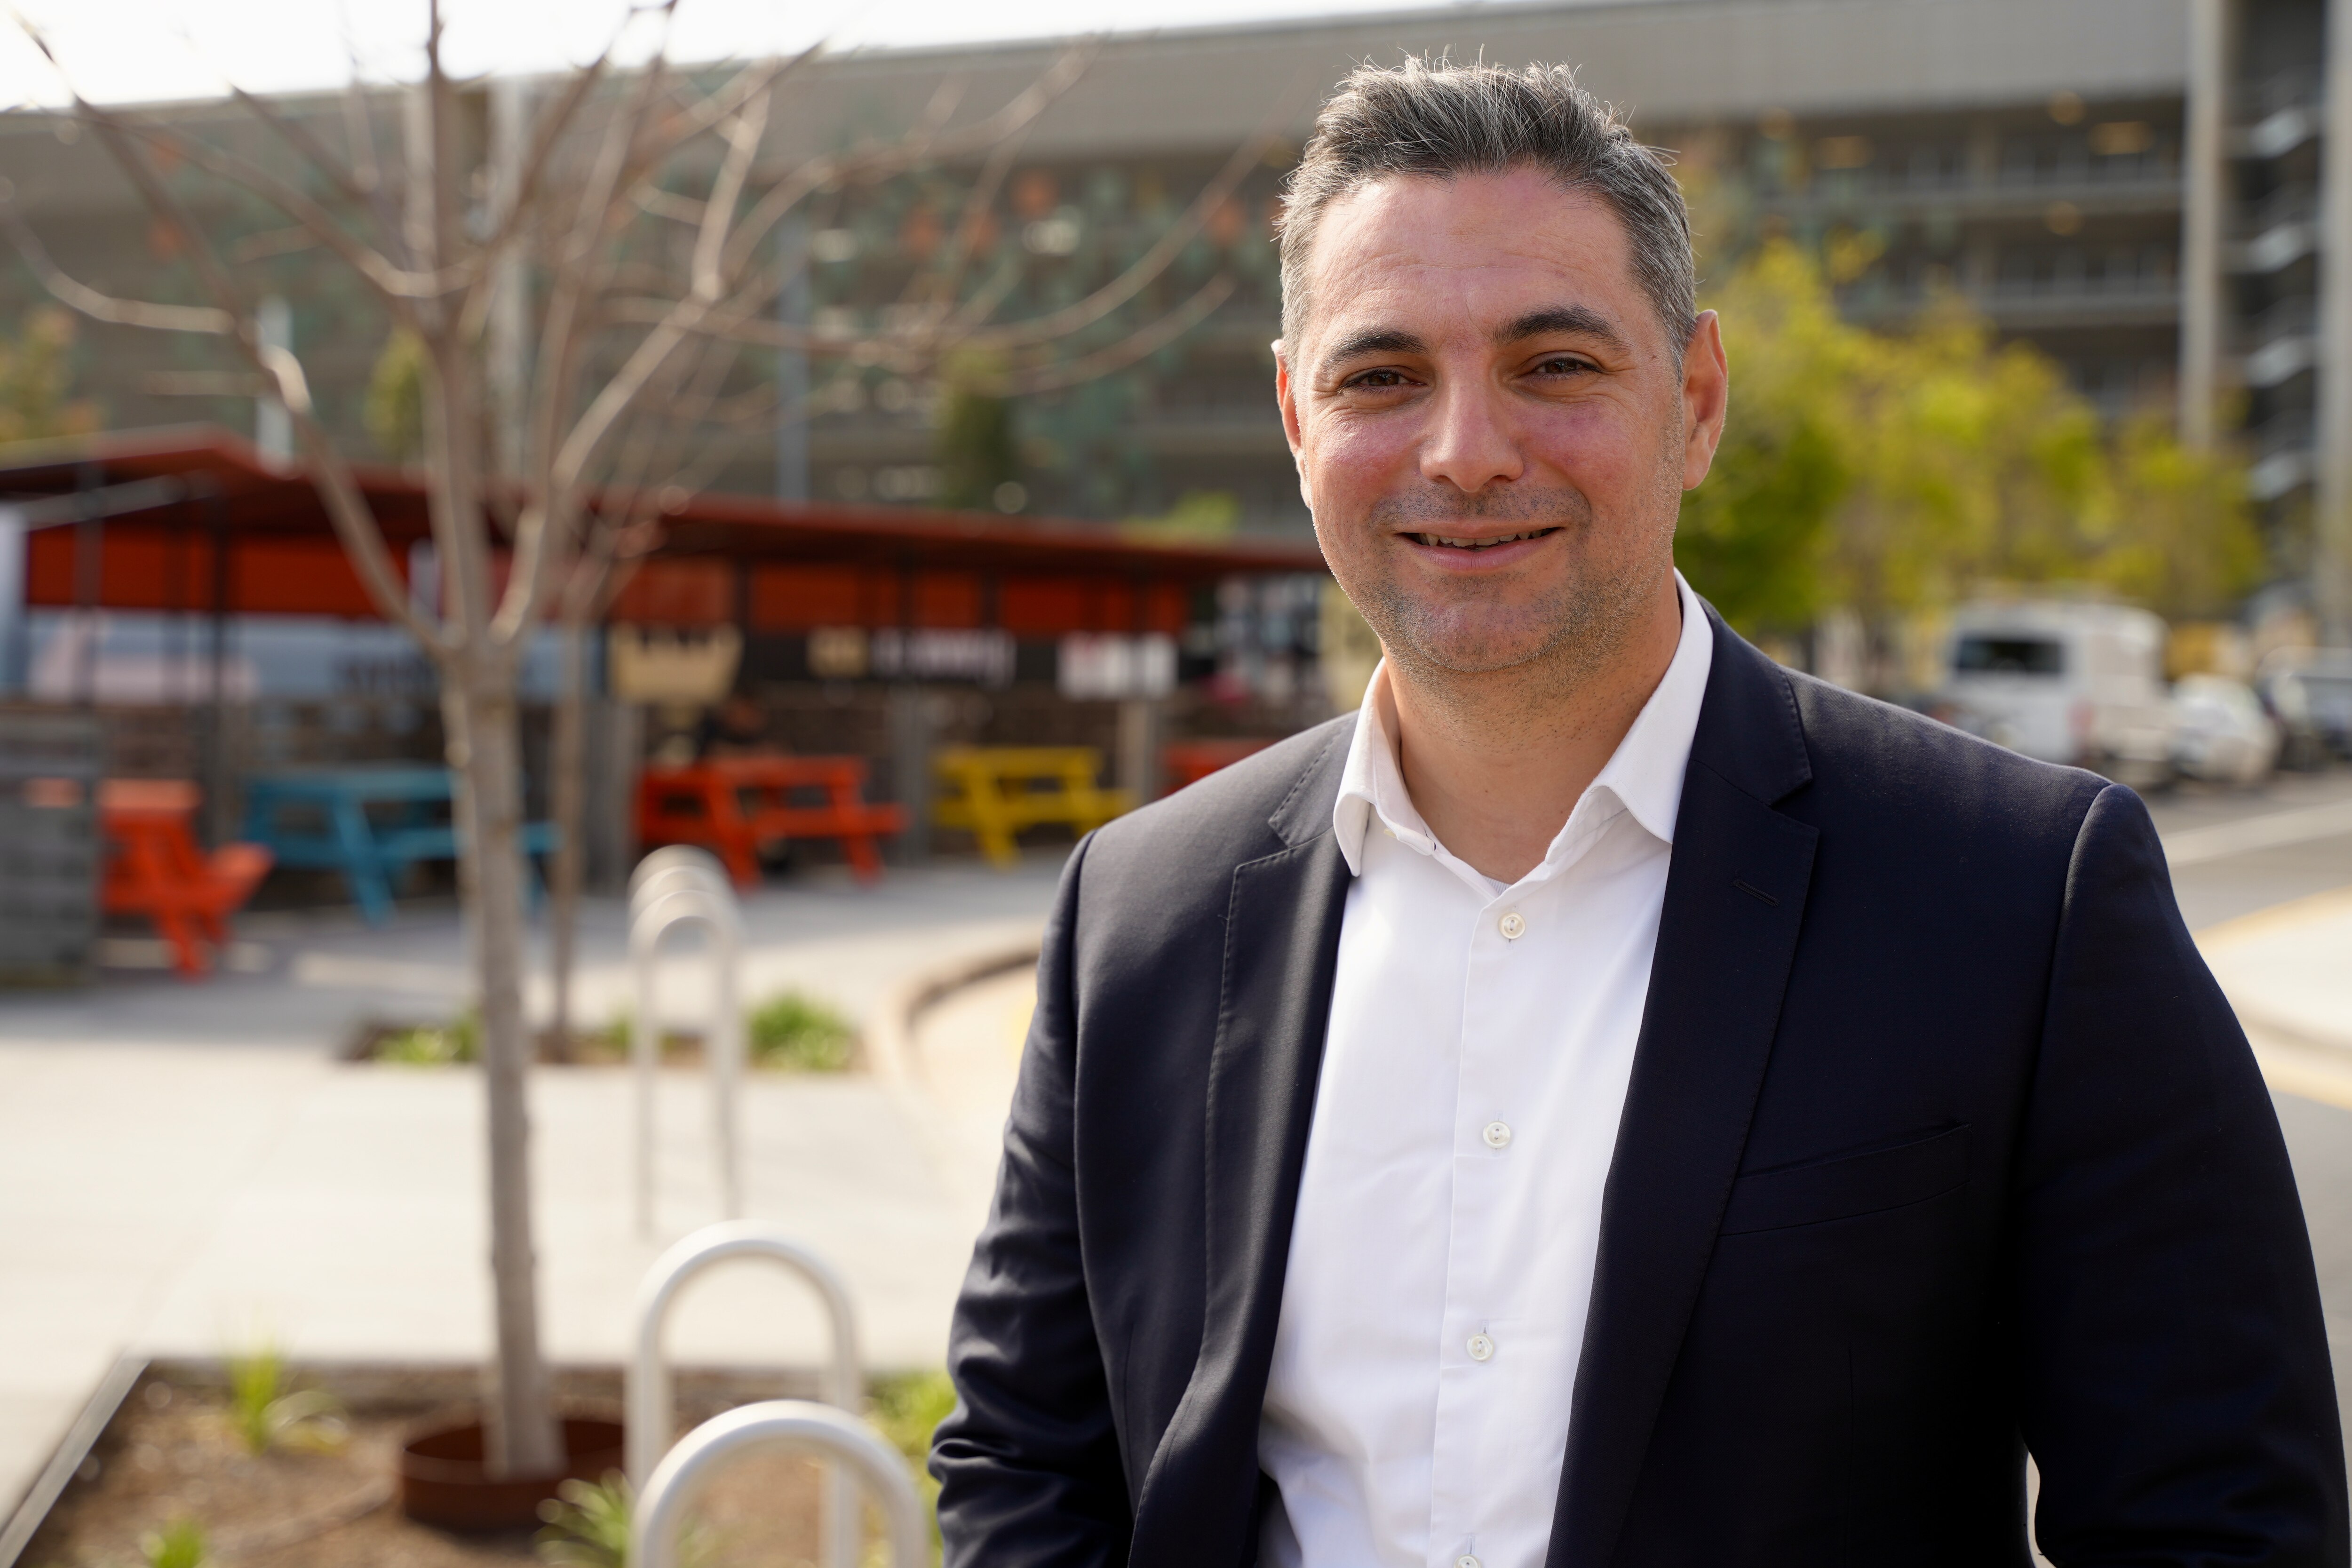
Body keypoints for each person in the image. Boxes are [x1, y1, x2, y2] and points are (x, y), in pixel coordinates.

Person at [930, 57, 2348, 1567]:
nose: (1466, 451)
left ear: (1697, 401)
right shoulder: (1142, 911)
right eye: (1381, 376)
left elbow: (2220, 1525)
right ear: (1295, 416)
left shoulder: (2022, 898)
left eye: (1554, 364)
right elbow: (1029, 1458)